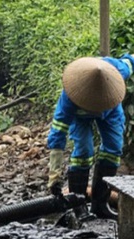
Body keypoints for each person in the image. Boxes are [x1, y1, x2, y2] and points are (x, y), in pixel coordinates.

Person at [47, 54, 134, 220]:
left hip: (110, 113)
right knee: (83, 151)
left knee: (113, 148)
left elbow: (131, 60)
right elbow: (57, 136)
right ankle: (78, 205)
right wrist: (54, 175)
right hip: (80, 118)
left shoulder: (118, 70)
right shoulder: (69, 99)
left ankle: (100, 204)